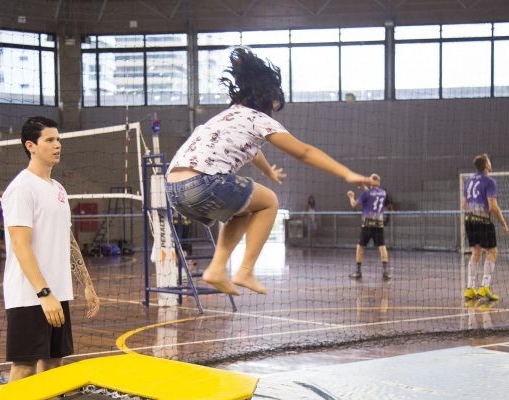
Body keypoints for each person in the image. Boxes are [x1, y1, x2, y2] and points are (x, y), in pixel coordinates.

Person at [165, 47, 372, 295]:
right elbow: (304, 152)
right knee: (269, 202)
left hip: (174, 190)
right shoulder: (259, 119)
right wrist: (346, 173)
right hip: (202, 184)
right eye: (274, 107)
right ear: (266, 100)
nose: (273, 112)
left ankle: (217, 270)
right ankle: (245, 271)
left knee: (243, 209)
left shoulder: (226, 117)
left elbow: (253, 151)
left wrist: (269, 173)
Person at [2, 116, 100, 382]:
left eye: (58, 139)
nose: (57, 145)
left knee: (54, 363)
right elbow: (20, 244)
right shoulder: (21, 188)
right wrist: (43, 293)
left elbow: (67, 239)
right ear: (31, 146)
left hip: (58, 293)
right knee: (24, 368)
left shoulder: (58, 189)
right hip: (30, 295)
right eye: (50, 140)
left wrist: (86, 283)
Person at [462, 153, 509, 301]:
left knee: (475, 252)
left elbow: (464, 205)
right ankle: (485, 286)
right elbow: (492, 206)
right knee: (492, 251)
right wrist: (503, 223)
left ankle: (470, 288)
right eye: (489, 161)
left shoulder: (468, 181)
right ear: (486, 165)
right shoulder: (489, 181)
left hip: (469, 220)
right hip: (482, 220)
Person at [347, 173, 391, 281]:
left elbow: (354, 205)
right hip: (379, 224)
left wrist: (351, 196)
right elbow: (373, 194)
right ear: (379, 182)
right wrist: (364, 187)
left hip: (367, 224)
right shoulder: (383, 193)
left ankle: (358, 272)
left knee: (360, 246)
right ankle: (385, 272)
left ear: (370, 182)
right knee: (382, 246)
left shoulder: (366, 193)